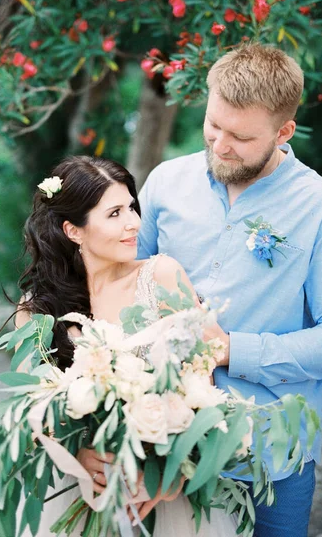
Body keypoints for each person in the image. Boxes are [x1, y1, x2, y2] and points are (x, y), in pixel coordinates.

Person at [137, 43, 322, 537]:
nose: (220, 145)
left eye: (240, 137)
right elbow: (125, 285)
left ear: (284, 132)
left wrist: (231, 350)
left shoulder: (317, 204)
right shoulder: (164, 183)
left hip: (271, 454)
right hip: (163, 440)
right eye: (213, 125)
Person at [15, 155, 237, 536]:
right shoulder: (36, 311)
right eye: (114, 213)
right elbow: (32, 409)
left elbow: (204, 383)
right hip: (80, 486)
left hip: (164, 489)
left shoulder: (163, 275)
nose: (134, 223)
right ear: (74, 230)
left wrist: (175, 472)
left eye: (132, 207)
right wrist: (77, 457)